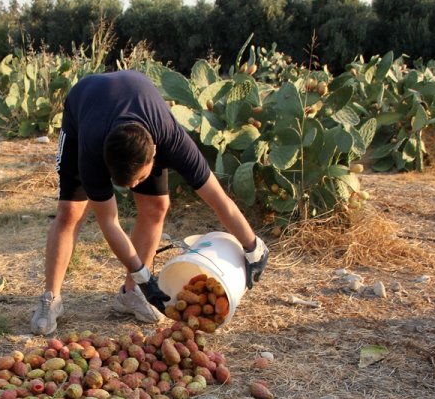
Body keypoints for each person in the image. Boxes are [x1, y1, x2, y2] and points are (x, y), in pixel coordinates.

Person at [30, 70, 269, 335]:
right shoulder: (91, 152)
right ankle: (50, 299)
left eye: (139, 179)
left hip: (142, 112)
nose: (132, 188)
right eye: (124, 184)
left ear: (154, 153)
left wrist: (253, 247)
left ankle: (130, 294)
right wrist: (146, 276)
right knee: (70, 212)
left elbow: (218, 199)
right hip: (85, 110)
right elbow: (109, 223)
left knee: (156, 207)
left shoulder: (173, 140)